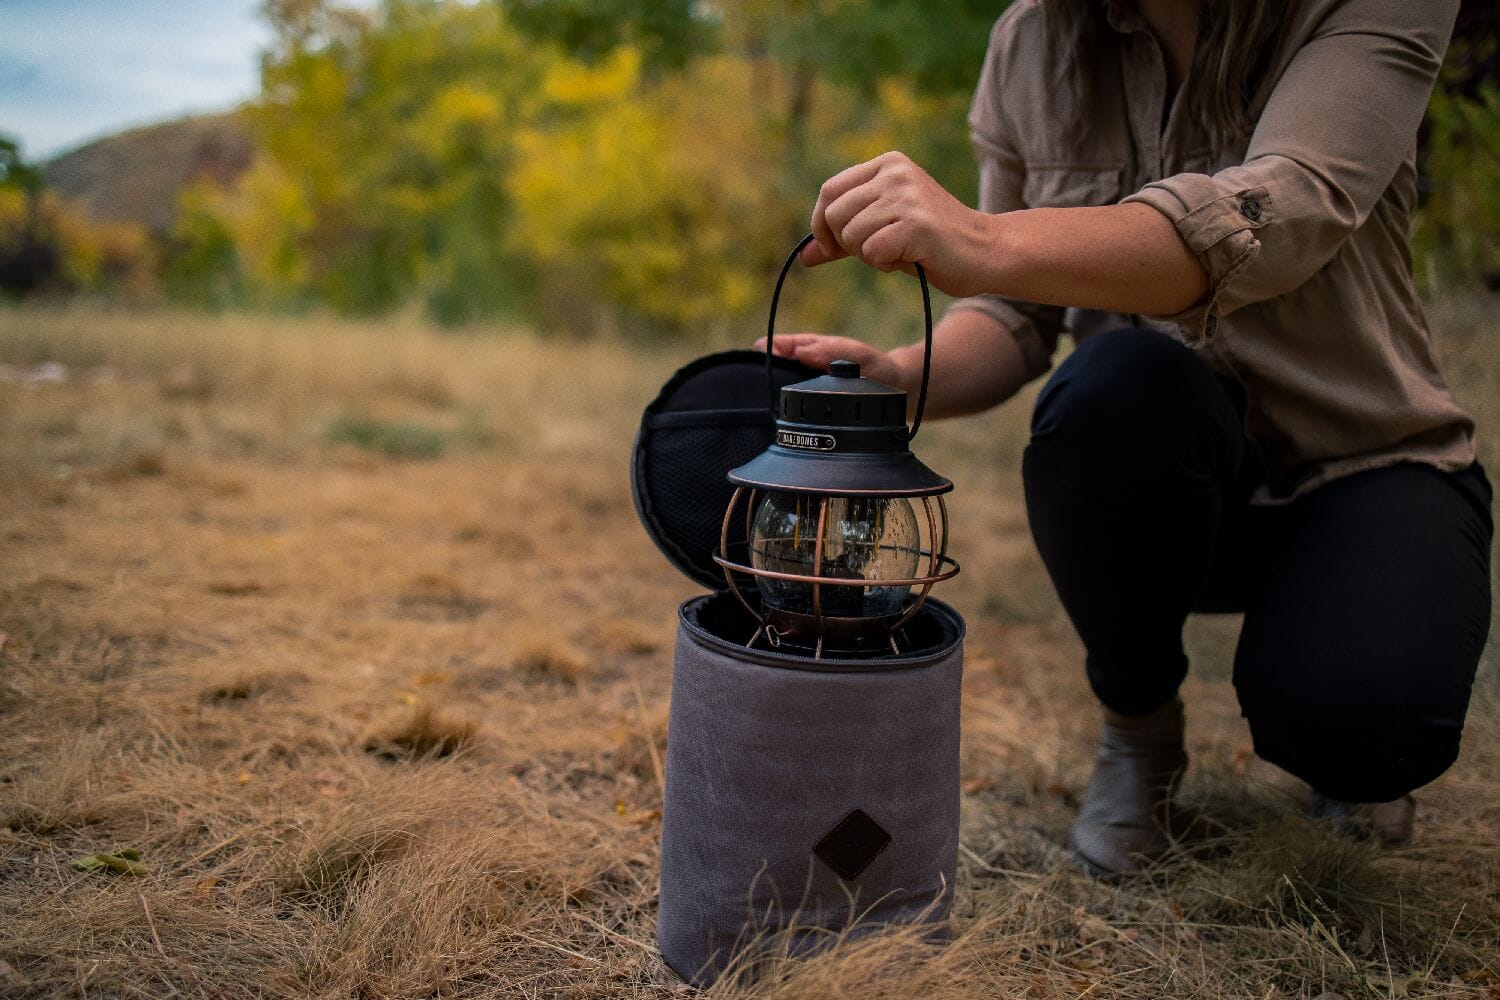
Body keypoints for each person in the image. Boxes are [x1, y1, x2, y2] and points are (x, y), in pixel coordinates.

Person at [762, 0, 1493, 876]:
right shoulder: (1030, 40)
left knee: (1366, 722)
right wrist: (896, 376)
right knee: (1112, 385)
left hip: (1362, 460)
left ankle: (1343, 729)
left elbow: (1280, 215)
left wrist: (985, 238)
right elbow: (1013, 313)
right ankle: (1140, 731)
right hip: (1158, 476)